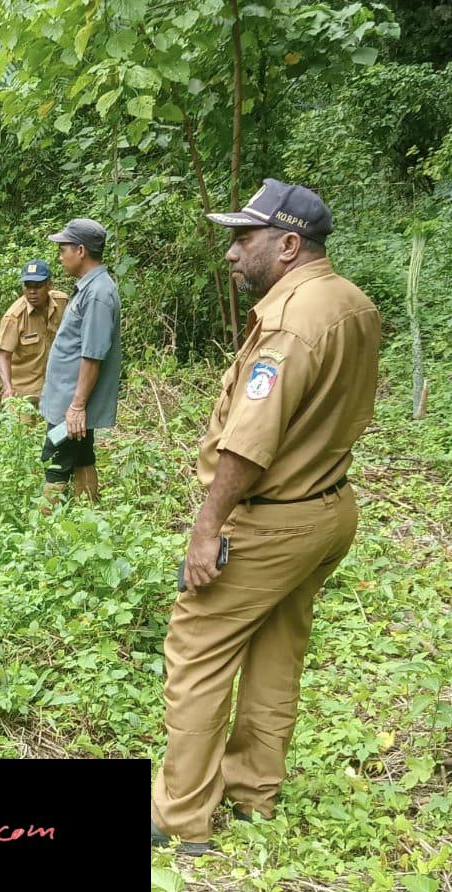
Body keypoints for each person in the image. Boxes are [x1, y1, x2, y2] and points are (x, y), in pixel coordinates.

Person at [151, 179, 381, 854]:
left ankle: (178, 819)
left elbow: (250, 440)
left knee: (196, 648)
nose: (230, 253)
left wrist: (207, 525)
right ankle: (252, 790)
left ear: (286, 245)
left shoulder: (288, 322)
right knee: (278, 646)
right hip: (328, 507)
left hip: (271, 516)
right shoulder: (351, 303)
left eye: (241, 238)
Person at [38, 218, 122, 503]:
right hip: (71, 397)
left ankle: (46, 534)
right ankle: (89, 518)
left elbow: (93, 355)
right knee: (83, 455)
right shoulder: (90, 288)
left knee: (54, 461)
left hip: (72, 402)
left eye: (64, 249)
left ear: (81, 251)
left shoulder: (98, 293)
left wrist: (76, 406)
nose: (60, 257)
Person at [0, 259, 69, 409]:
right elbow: (4, 355)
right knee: (22, 431)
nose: (32, 291)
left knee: (56, 432)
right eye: (28, 286)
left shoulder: (62, 303)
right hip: (23, 394)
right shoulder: (14, 317)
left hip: (55, 389)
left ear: (49, 285)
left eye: (38, 286)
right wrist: (8, 388)